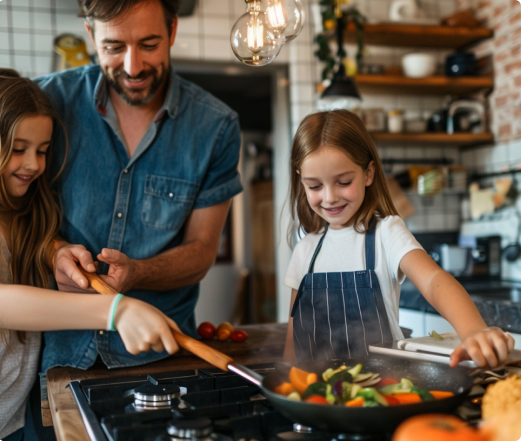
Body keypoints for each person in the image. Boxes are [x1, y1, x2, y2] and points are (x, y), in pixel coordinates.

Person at [35, 0, 242, 372]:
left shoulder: (217, 127)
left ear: (173, 31)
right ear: (91, 36)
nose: (133, 67)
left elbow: (201, 251)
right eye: (114, 47)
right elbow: (13, 215)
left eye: (149, 45)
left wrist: (139, 272)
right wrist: (55, 251)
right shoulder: (47, 103)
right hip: (54, 356)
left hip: (158, 359)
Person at [0, 69, 181, 441]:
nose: (33, 164)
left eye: (43, 151)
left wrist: (58, 251)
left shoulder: (20, 208)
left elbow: (30, 238)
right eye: (18, 150)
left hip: (12, 414)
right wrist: (116, 310)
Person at [283, 109, 514, 369]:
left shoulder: (386, 233)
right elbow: (294, 338)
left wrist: (474, 330)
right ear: (301, 182)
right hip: (314, 397)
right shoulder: (305, 250)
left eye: (343, 181)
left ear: (368, 173)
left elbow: (433, 280)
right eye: (314, 186)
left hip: (384, 391)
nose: (329, 197)